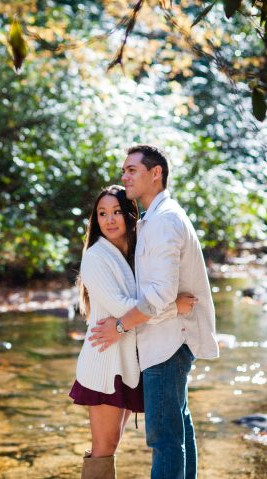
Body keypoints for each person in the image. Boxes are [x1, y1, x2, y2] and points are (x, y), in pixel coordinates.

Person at [88, 145, 220, 479]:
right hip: (166, 340)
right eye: (124, 170)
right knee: (177, 427)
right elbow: (155, 295)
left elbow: (158, 295)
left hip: (167, 343)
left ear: (155, 173)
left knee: (164, 436)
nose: (125, 176)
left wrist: (119, 326)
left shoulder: (163, 220)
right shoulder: (155, 219)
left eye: (132, 170)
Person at [70, 184, 196, 479]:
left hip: (128, 362)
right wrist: (174, 308)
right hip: (105, 362)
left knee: (114, 444)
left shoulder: (136, 254)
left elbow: (147, 299)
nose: (109, 220)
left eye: (116, 212)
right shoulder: (96, 257)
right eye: (102, 214)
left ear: (129, 216)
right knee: (104, 448)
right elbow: (125, 307)